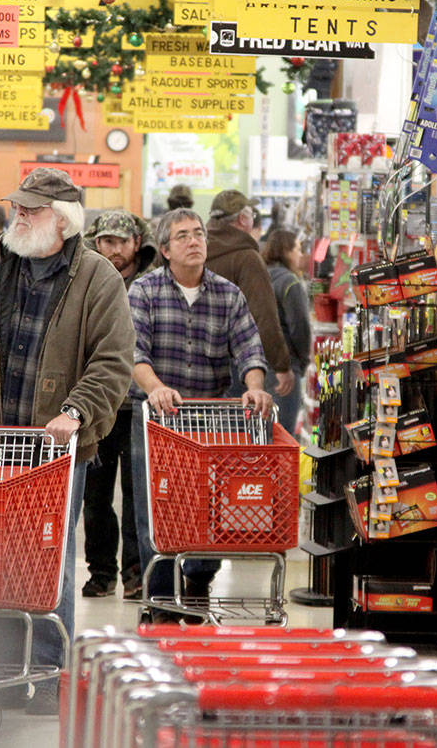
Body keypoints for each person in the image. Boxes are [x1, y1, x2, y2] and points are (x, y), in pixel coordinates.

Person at [0, 168, 134, 715]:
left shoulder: (98, 278)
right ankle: (5, 671)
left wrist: (75, 410)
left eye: (32, 210)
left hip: (59, 453)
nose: (19, 215)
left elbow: (112, 363)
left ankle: (46, 676)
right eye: (18, 207)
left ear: (63, 221)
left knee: (48, 560)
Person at [127, 208, 273, 620]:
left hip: (210, 419)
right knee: (155, 510)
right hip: (158, 419)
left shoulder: (228, 294)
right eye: (183, 236)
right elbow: (134, 354)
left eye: (199, 235)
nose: (195, 241)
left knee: (210, 510)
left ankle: (199, 581)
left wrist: (255, 388)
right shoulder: (144, 291)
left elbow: (249, 348)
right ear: (167, 249)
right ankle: (158, 600)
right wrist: (156, 389)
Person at [79, 209, 156, 600]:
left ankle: (136, 573)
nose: (114, 250)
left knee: (136, 495)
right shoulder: (86, 279)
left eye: (121, 242)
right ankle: (101, 572)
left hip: (138, 407)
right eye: (107, 241)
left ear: (136, 244)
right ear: (96, 242)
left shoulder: (151, 284)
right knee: (95, 498)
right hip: (95, 407)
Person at [205, 190, 295, 399]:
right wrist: (281, 365)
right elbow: (263, 316)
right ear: (243, 219)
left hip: (192, 367)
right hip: (237, 366)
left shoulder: (193, 250)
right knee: (236, 431)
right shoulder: (247, 258)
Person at [262, 229, 312, 436]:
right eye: (298, 250)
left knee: (263, 434)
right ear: (287, 251)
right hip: (285, 367)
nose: (301, 256)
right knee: (283, 435)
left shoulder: (260, 276)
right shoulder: (290, 283)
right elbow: (299, 327)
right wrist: (301, 361)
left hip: (259, 365)